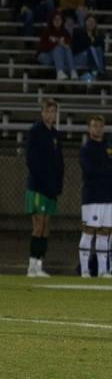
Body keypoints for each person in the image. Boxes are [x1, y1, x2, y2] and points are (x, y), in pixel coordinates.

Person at [24, 98, 63, 277]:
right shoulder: (35, 131)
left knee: (46, 226)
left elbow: (59, 162)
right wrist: (42, 180)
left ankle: (40, 264)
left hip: (51, 188)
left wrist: (58, 184)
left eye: (53, 111)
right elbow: (31, 159)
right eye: (48, 111)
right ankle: (31, 265)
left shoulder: (55, 134)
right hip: (38, 186)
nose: (51, 114)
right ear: (42, 112)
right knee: (38, 225)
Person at [79, 115, 111, 277]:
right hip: (92, 196)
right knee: (89, 231)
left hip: (108, 196)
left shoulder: (108, 147)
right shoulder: (86, 149)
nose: (97, 129)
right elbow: (90, 171)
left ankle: (103, 271)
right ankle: (85, 271)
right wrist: (107, 170)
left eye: (100, 126)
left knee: (105, 233)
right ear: (89, 128)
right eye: (94, 126)